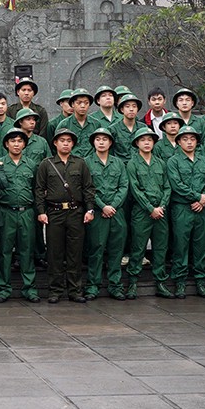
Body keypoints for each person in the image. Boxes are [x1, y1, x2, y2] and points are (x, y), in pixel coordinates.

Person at [35, 124, 95, 303]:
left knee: (74, 253)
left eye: (69, 141)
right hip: (54, 212)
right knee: (55, 253)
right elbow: (39, 189)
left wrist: (90, 209)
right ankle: (55, 290)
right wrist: (40, 211)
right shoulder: (47, 164)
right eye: (62, 141)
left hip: (76, 212)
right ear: (55, 143)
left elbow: (88, 188)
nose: (66, 144)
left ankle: (75, 290)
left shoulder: (80, 163)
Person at [0, 127, 40, 303]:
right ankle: (3, 288)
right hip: (6, 212)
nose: (16, 144)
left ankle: (30, 288)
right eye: (13, 141)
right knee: (4, 252)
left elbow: (37, 189)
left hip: (26, 212)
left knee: (27, 251)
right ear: (6, 144)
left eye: (20, 141)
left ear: (24, 144)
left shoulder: (32, 165)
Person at [163, 124, 205, 299]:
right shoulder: (173, 161)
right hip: (182, 208)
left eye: (192, 139)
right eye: (185, 139)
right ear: (178, 142)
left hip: (202, 208)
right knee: (180, 245)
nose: (189, 142)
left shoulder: (204, 160)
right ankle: (180, 281)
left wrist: (204, 198)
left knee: (201, 245)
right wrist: (197, 197)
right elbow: (176, 185)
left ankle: (201, 280)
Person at [84, 127, 129, 300]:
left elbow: (123, 185)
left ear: (110, 143)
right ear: (93, 142)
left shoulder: (118, 163)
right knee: (96, 249)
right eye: (98, 139)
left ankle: (115, 285)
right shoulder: (87, 162)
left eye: (105, 139)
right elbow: (87, 188)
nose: (101, 142)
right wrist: (103, 206)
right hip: (97, 212)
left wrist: (113, 206)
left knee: (116, 250)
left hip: (116, 213)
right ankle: (93, 285)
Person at [122, 128, 166, 299]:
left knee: (160, 248)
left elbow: (167, 187)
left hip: (160, 212)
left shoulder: (160, 163)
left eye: (150, 139)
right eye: (143, 140)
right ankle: (132, 282)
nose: (147, 142)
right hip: (142, 212)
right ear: (137, 143)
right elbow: (135, 189)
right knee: (138, 248)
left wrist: (161, 206)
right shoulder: (132, 164)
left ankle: (160, 282)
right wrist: (150, 208)